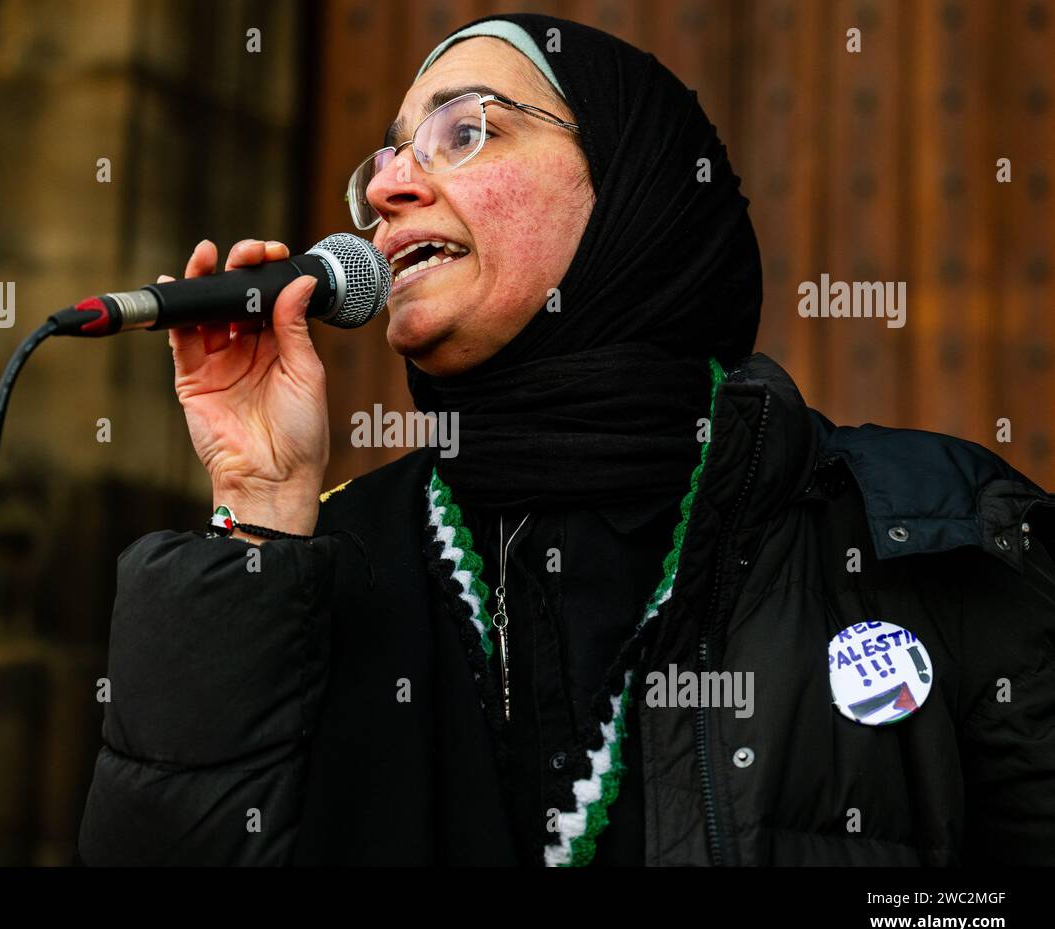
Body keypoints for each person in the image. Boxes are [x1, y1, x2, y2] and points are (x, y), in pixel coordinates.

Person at [76, 13, 1055, 866]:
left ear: (636, 189)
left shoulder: (934, 532)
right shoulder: (318, 554)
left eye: (463, 132)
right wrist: (254, 500)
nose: (388, 189)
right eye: (378, 164)